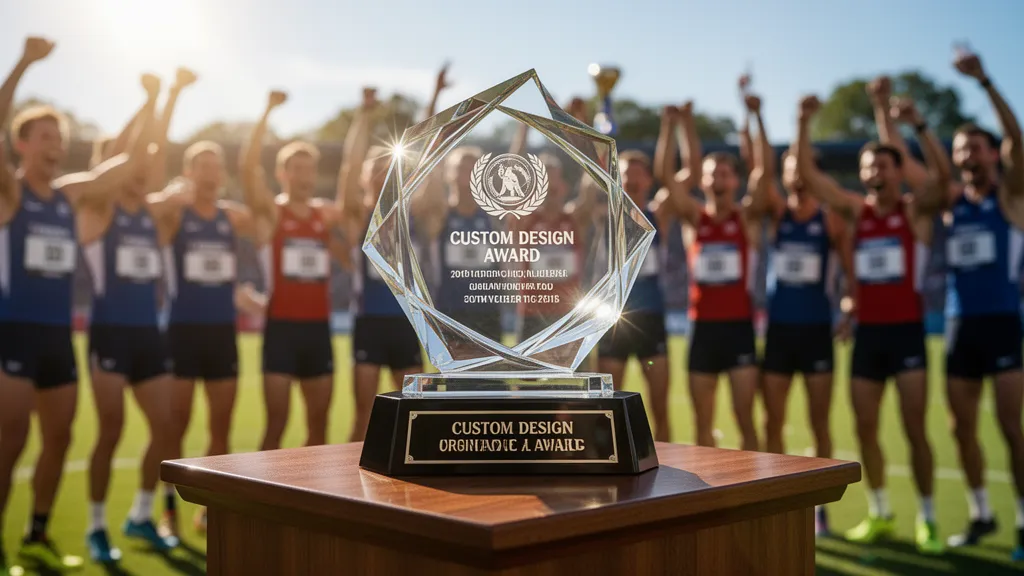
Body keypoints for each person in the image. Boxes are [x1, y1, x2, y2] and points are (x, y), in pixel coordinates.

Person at [0, 36, 157, 572]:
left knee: (60, 437)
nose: (55, 144)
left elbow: (128, 160)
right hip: (13, 332)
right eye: (45, 136)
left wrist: (149, 102)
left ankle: (37, 530)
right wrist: (22, 64)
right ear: (21, 145)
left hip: (57, 338)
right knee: (10, 440)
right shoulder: (11, 195)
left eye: (59, 137)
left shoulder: (70, 196)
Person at [795, 92, 950, 554]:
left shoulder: (914, 214)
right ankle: (881, 511)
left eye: (885, 165)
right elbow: (807, 176)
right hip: (867, 336)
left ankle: (928, 517)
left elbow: (942, 181)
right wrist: (803, 123)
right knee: (865, 429)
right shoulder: (855, 214)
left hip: (907, 333)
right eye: (869, 166)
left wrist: (919, 127)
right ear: (861, 175)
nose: (876, 172)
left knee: (914, 428)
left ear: (899, 171)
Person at [81, 67, 195, 563]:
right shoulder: (99, 210)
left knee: (166, 427)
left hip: (150, 336)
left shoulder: (152, 214)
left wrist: (169, 98)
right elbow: (131, 151)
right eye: (135, 159)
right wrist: (151, 102)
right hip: (109, 334)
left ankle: (143, 514)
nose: (147, 164)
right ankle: (95, 526)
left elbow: (159, 148)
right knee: (110, 430)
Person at [750, 91, 853, 536]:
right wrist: (760, 117)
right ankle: (776, 498)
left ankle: (820, 510)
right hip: (778, 331)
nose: (794, 175)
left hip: (816, 332)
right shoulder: (776, 215)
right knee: (772, 420)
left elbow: (849, 274)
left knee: (819, 421)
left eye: (801, 167)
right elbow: (765, 175)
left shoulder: (830, 220)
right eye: (788, 169)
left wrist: (849, 306)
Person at [938, 51, 1024, 558]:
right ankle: (979, 513)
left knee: (1011, 427)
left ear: (992, 154)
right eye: (960, 148)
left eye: (975, 147)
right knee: (960, 427)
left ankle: (1021, 518)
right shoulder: (950, 205)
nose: (967, 154)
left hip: (1002, 322)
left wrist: (986, 83)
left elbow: (1015, 135)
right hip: (957, 324)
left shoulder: (1010, 196)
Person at [153, 132, 259, 536]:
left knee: (221, 426)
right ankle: (168, 511)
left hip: (221, 334)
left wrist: (244, 297)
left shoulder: (230, 218)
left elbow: (263, 213)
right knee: (175, 425)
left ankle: (209, 507)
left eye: (216, 167)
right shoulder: (177, 215)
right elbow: (152, 216)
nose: (211, 174)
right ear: (189, 172)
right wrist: (170, 194)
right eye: (203, 166)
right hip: (182, 330)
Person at [239, 90, 343, 451]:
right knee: (276, 426)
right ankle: (265, 506)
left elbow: (354, 203)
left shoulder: (323, 216)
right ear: (282, 174)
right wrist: (266, 112)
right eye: (296, 169)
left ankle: (312, 504)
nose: (304, 175)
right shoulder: (272, 216)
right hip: (281, 329)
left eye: (310, 169)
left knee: (319, 427)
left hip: (318, 329)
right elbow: (247, 168)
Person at [656, 102, 762, 450]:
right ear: (703, 179)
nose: (717, 179)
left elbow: (763, 172)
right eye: (711, 173)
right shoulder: (695, 220)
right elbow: (667, 176)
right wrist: (676, 125)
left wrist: (752, 119)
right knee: (703, 422)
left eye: (724, 174)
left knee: (745, 417)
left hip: (739, 328)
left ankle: (754, 493)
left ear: (735, 180)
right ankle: (710, 498)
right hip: (702, 328)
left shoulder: (746, 218)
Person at [341, 80, 442, 441]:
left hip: (407, 323)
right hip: (368, 321)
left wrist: (434, 98)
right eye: (377, 170)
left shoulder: (411, 214)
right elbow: (349, 166)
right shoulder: (357, 214)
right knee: (363, 415)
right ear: (368, 178)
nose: (385, 175)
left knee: (418, 412)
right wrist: (364, 115)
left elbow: (428, 156)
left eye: (391, 169)